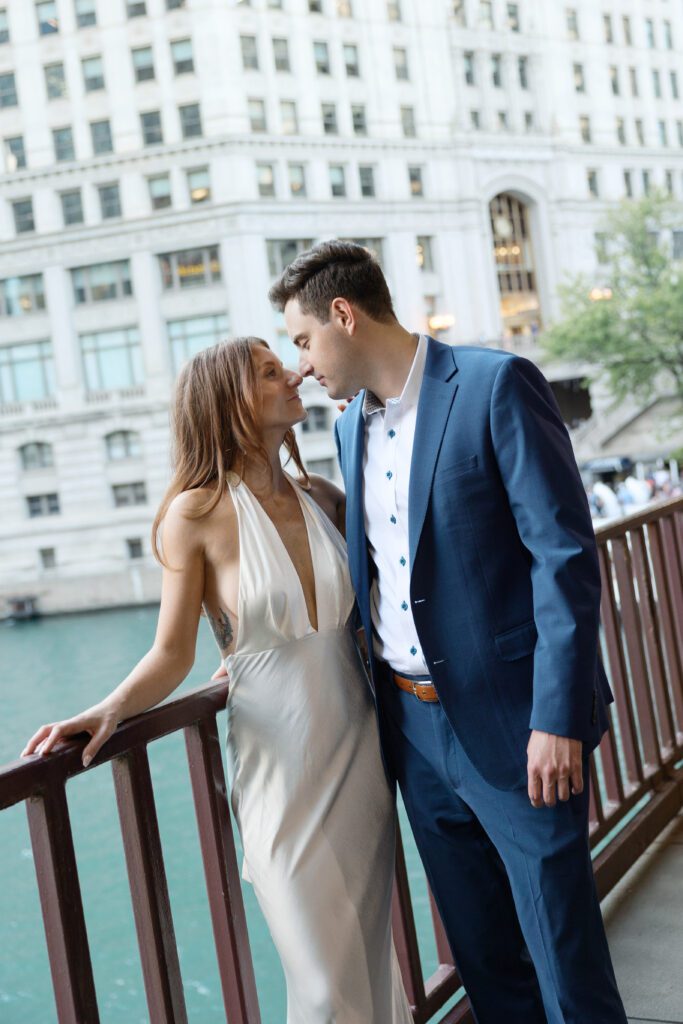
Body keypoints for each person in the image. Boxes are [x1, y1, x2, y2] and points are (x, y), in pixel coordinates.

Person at [268, 240, 628, 1024]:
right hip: (413, 733)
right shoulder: (349, 429)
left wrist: (555, 716)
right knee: (485, 960)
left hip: (518, 724)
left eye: (301, 340)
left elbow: (562, 557)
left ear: (342, 314)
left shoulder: (495, 386)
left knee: (563, 953)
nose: (299, 365)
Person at [21, 337, 412, 1024]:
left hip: (360, 760)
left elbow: (385, 605)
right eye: (269, 372)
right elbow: (171, 654)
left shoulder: (324, 496)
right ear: (229, 402)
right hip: (279, 777)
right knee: (322, 989)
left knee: (366, 968)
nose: (293, 372)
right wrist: (109, 708)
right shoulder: (193, 515)